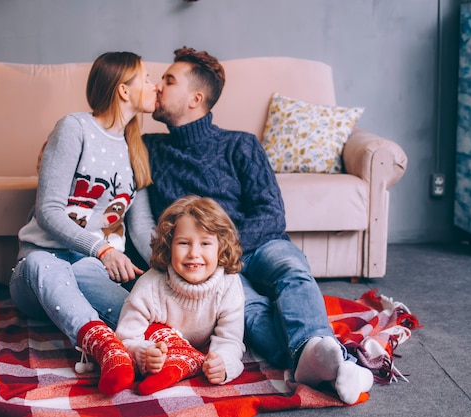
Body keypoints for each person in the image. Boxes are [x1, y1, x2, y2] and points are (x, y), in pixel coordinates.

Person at [142, 46, 374, 405]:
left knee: (293, 270)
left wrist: (225, 246)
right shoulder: (148, 149)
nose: (157, 87)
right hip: (207, 264)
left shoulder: (240, 145)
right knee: (249, 313)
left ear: (195, 98)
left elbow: (271, 214)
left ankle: (314, 350)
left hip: (259, 245)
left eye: (168, 81)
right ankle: (323, 362)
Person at [9, 51, 157, 396]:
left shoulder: (136, 149)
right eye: (146, 78)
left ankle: (149, 350)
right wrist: (103, 249)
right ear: (123, 90)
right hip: (39, 271)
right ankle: (104, 348)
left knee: (140, 317)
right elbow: (48, 210)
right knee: (41, 262)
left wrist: (170, 271)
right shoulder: (75, 128)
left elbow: (141, 225)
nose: (153, 86)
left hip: (90, 269)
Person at [116, 195, 245, 395]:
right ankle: (169, 366)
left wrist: (223, 363)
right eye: (184, 243)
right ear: (169, 245)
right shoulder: (150, 286)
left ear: (221, 247)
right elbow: (125, 337)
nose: (194, 253)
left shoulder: (228, 284)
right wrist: (144, 353)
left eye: (205, 244)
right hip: (162, 344)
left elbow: (231, 339)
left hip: (203, 350)